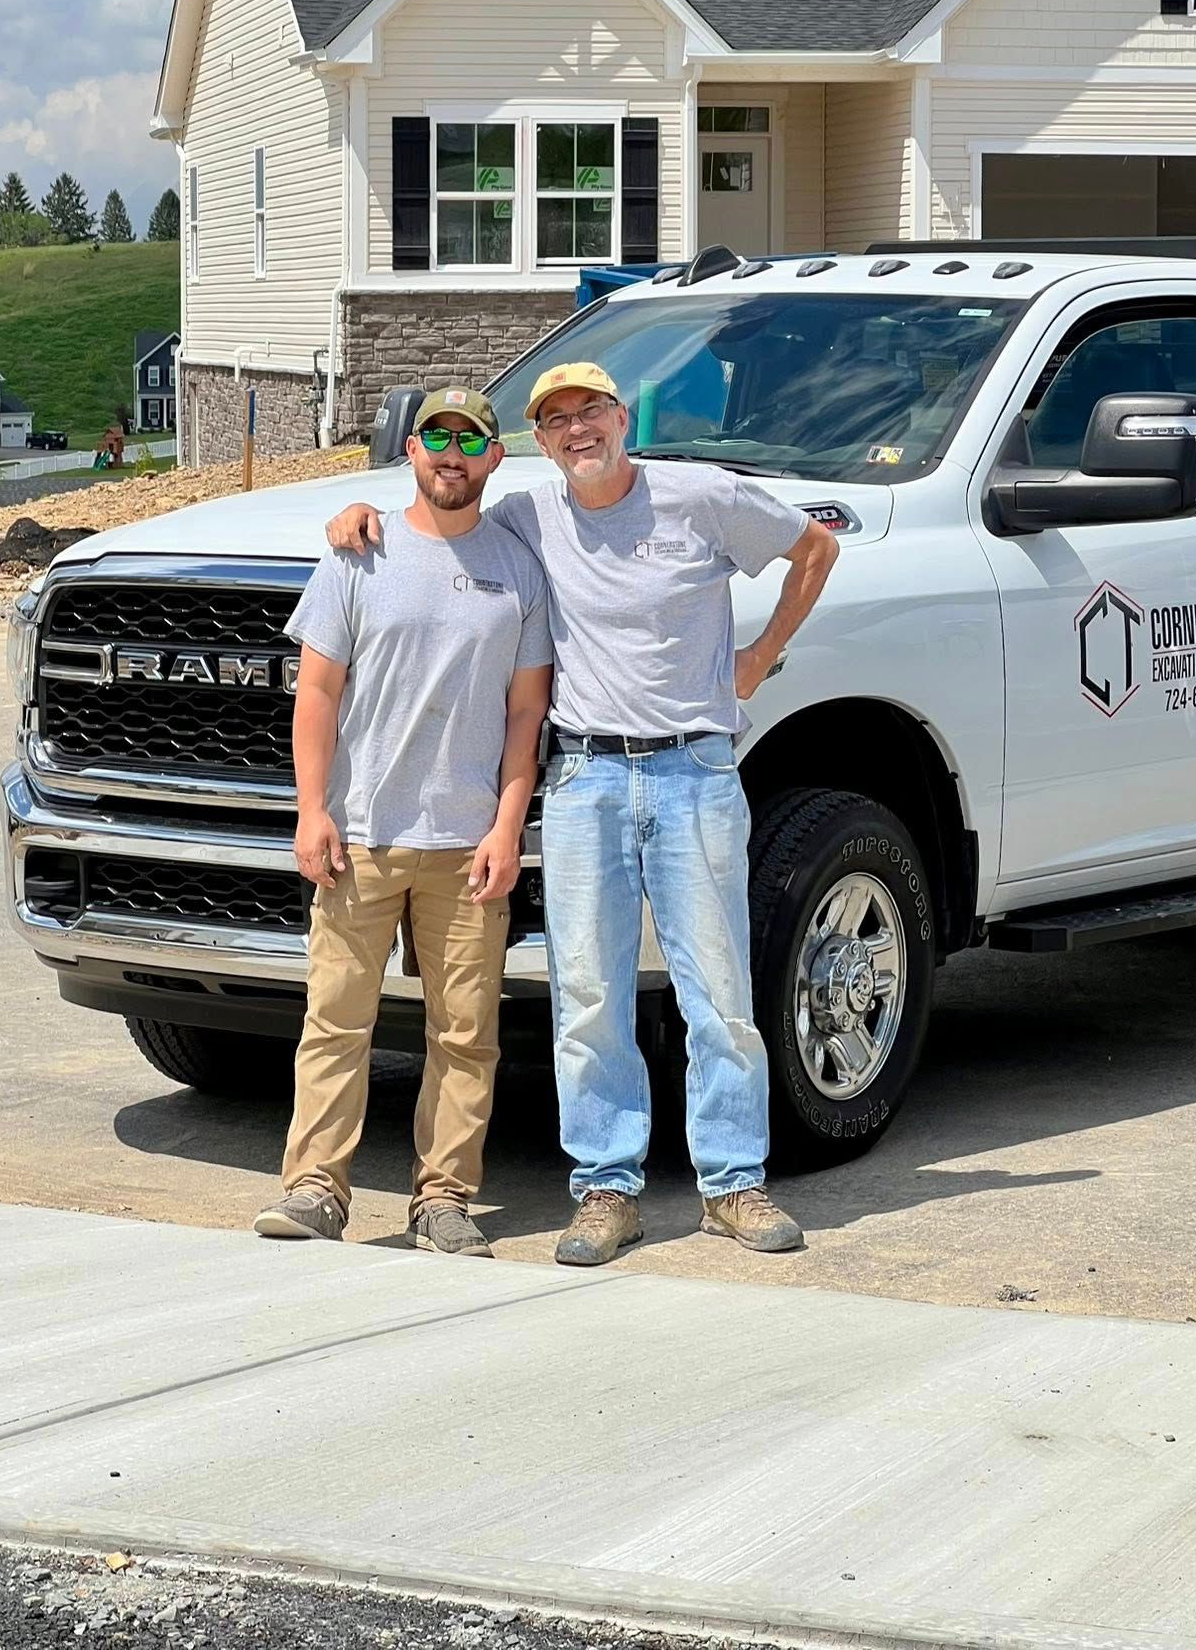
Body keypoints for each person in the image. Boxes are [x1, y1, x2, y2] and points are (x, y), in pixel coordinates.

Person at [326, 361, 839, 1266]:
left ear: (621, 417)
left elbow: (816, 549)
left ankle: (732, 1185)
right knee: (589, 997)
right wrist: (350, 519)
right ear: (540, 440)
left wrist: (759, 657)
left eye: (590, 411)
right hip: (583, 782)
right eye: (554, 419)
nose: (575, 430)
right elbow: (441, 526)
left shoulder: (704, 496)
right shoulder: (532, 516)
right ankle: (607, 1189)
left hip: (694, 771)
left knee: (719, 993)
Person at [254, 386, 552, 1256]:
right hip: (362, 837)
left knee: (465, 1035)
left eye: (470, 439)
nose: (451, 452)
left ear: (495, 458)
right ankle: (315, 1189)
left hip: (467, 848)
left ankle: (445, 1200)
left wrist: (507, 829)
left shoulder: (518, 568)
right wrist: (312, 811)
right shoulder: (357, 554)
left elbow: (525, 716)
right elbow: (316, 693)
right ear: (410, 452)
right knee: (336, 1021)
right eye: (435, 436)